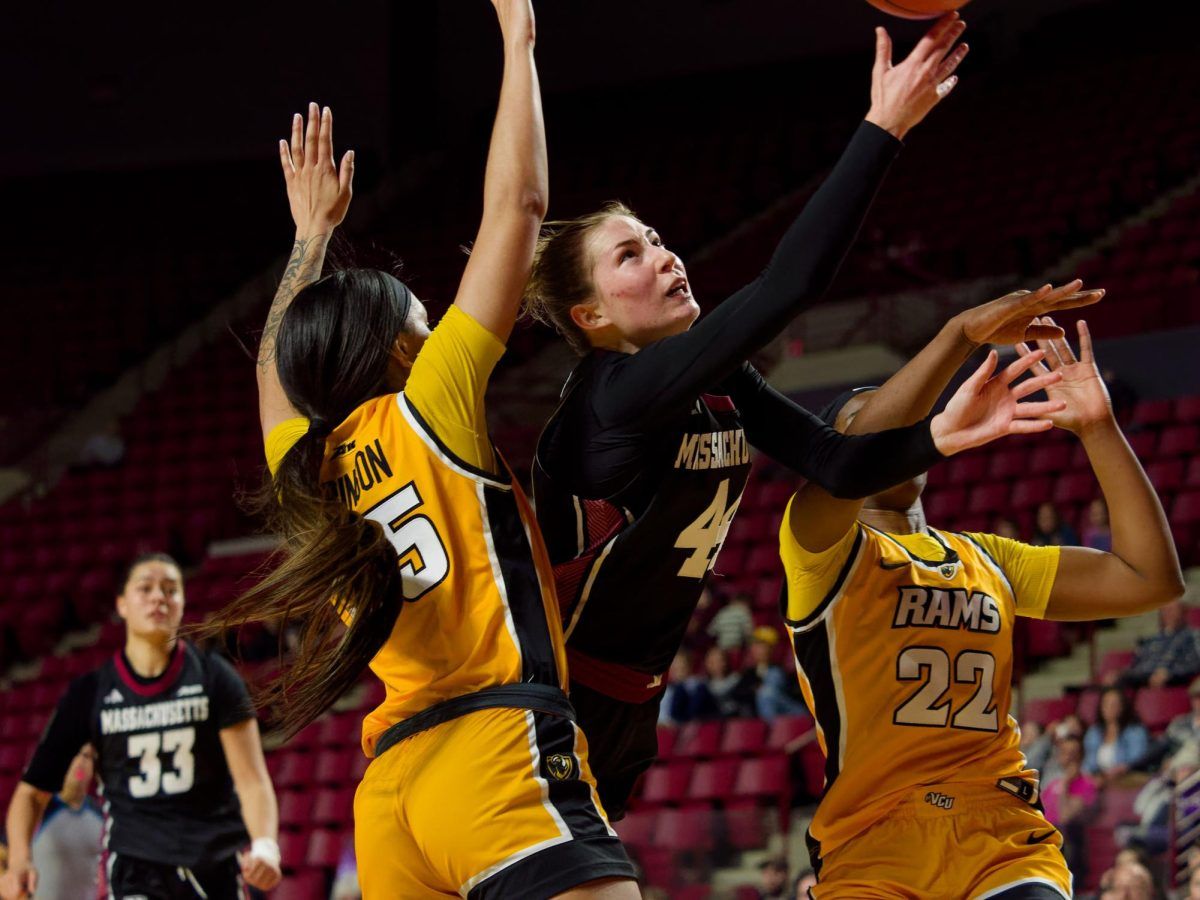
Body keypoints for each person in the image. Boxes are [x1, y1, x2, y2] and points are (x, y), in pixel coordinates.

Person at [525, 13, 1074, 819]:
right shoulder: (615, 394)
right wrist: (882, 130)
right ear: (592, 318)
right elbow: (789, 287)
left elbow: (836, 464)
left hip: (629, 702)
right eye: (630, 255)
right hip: (549, 699)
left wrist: (939, 436)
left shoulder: (720, 383)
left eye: (657, 238)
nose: (665, 255)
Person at [201, 5, 637, 896]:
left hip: (394, 795)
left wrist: (308, 241)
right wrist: (519, 45)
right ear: (400, 348)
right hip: (497, 754)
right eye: (423, 319)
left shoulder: (311, 473)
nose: (438, 324)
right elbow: (518, 204)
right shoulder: (428, 403)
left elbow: (270, 380)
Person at [777, 317, 1184, 898]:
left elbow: (1148, 579)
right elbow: (853, 467)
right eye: (882, 422)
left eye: (912, 420)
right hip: (872, 844)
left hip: (999, 831)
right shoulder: (818, 552)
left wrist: (1098, 429)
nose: (904, 431)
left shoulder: (987, 558)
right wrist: (961, 334)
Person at [0, 554, 281, 900]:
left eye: (170, 589)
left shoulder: (216, 678)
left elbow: (252, 780)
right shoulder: (91, 693)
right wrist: (19, 860)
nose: (158, 597)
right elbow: (31, 792)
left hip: (214, 862)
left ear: (181, 604)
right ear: (121, 604)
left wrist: (266, 845)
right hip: (137, 867)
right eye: (145, 588)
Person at [27, 747, 102, 900]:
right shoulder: (40, 809)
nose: (80, 762)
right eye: (74, 755)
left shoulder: (101, 812)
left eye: (87, 757)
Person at [1106, 599, 1200, 688]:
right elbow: (1135, 665)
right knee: (1113, 680)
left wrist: (1171, 673)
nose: (1169, 614)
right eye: (1165, 610)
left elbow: (1194, 665)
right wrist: (1120, 673)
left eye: (1173, 610)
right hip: (1140, 676)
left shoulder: (1192, 636)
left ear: (1183, 613)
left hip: (1171, 680)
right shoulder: (1151, 640)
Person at [1041, 735, 1096, 881]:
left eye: (1073, 753)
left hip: (1069, 851)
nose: (1068, 757)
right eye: (1064, 752)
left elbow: (1065, 817)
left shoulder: (1087, 784)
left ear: (1081, 756)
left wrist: (1066, 784)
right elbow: (1039, 815)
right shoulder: (1053, 783)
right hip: (1046, 846)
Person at [1084, 687, 1151, 782]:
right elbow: (1088, 763)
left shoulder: (1135, 731)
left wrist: (1118, 771)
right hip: (1100, 781)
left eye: (1114, 704)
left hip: (1127, 779)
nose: (1109, 708)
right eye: (1106, 703)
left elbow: (1137, 759)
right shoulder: (1093, 732)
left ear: (1122, 707)